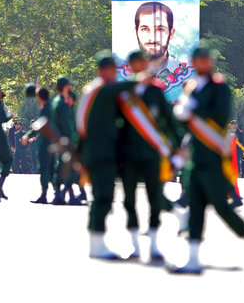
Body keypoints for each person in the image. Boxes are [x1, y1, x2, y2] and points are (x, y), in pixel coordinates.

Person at [170, 46, 244, 274]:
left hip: (213, 155)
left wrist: (192, 111)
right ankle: (192, 258)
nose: (202, 64)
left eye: (205, 60)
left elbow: (219, 115)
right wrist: (181, 116)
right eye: (198, 60)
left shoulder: (219, 87)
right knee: (195, 206)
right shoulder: (193, 88)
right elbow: (187, 123)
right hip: (196, 155)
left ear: (211, 62)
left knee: (221, 206)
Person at [117, 49, 186, 261]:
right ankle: (134, 245)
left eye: (142, 63)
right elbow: (116, 124)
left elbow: (169, 121)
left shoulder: (155, 92)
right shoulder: (123, 92)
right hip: (128, 155)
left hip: (152, 155)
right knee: (128, 201)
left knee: (154, 198)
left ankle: (155, 245)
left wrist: (179, 146)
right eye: (135, 63)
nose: (139, 67)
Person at [76, 50, 138, 259]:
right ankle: (96, 244)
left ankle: (97, 242)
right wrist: (142, 76)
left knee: (103, 196)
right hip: (101, 154)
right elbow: (125, 87)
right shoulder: (101, 90)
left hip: (97, 152)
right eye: (112, 69)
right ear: (104, 71)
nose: (114, 73)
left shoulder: (94, 90)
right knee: (103, 197)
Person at [134, 2, 189, 77]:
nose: (152, 38)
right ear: (136, 32)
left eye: (160, 29)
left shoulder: (187, 73)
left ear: (171, 33)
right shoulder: (120, 74)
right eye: (145, 29)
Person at [24, 87, 56, 204]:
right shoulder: (50, 107)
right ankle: (58, 194)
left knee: (44, 168)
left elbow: (41, 124)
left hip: (45, 143)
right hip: (50, 142)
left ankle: (45, 195)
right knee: (51, 169)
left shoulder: (46, 108)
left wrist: (28, 134)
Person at [51, 76, 77, 205]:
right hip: (64, 139)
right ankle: (61, 196)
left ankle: (63, 195)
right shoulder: (61, 103)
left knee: (65, 167)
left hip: (62, 138)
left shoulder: (59, 101)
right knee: (64, 167)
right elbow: (65, 123)